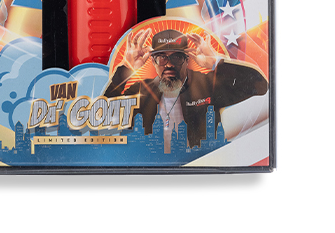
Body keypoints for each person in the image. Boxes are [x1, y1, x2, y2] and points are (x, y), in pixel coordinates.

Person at [102, 28, 267, 151]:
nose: (169, 64)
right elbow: (102, 117)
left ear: (187, 59)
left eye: (176, 57)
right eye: (162, 57)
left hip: (199, 168)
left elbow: (259, 85)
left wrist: (215, 62)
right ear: (152, 62)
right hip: (149, 171)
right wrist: (125, 69)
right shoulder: (141, 91)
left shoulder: (207, 85)